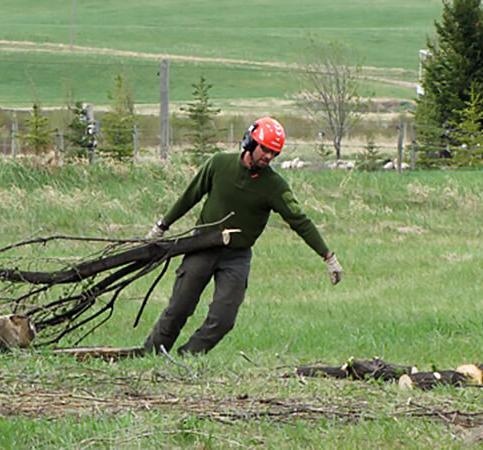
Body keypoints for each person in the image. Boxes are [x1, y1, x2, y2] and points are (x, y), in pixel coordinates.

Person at [143, 116, 342, 355]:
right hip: (202, 245)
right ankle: (151, 354)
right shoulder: (219, 165)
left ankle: (188, 355)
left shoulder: (275, 186)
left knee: (223, 319)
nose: (268, 157)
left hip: (236, 257)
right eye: (265, 149)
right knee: (179, 308)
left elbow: (300, 222)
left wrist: (328, 256)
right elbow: (190, 196)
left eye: (274, 153)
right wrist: (161, 227)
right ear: (250, 142)